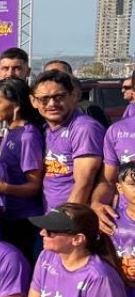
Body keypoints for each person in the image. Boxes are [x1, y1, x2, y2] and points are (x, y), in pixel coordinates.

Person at [0, 77, 45, 260]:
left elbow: (34, 186)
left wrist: (3, 188)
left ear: (16, 104)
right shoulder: (9, 131)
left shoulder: (27, 137)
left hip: (24, 220)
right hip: (8, 216)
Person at [32, 69, 102, 212]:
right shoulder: (46, 128)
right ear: (34, 101)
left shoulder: (84, 128)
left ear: (74, 96)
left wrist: (65, 222)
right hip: (51, 215)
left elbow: (83, 183)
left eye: (59, 96)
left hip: (71, 219)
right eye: (44, 98)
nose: (52, 103)